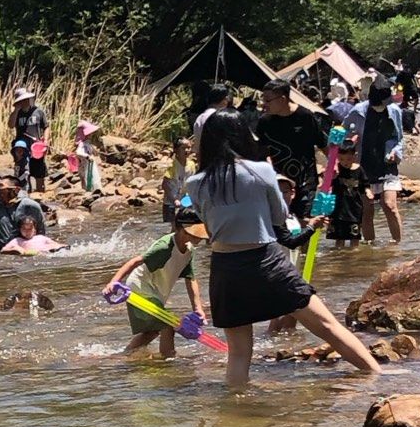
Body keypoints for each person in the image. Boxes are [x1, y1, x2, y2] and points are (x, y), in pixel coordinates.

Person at [186, 112, 384, 392]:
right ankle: (378, 378)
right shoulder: (262, 171)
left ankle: (235, 415)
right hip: (265, 261)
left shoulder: (195, 183)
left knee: (239, 353)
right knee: (328, 326)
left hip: (225, 268)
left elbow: (206, 222)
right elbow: (279, 217)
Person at [120, 214, 207, 359]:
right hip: (140, 288)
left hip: (154, 291)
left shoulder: (189, 250)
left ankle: (124, 355)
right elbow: (136, 261)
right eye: (193, 234)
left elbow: (190, 278)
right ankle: (168, 360)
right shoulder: (165, 247)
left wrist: (197, 308)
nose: (199, 238)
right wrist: (113, 283)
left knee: (152, 332)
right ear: (179, 229)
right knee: (168, 324)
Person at [254, 79, 332, 210]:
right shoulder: (264, 122)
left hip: (306, 181)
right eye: (263, 100)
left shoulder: (305, 116)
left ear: (283, 99)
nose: (263, 104)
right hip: (279, 184)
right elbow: (262, 152)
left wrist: (333, 167)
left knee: (308, 222)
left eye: (268, 100)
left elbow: (323, 144)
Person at [357, 76, 405, 245]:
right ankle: (370, 248)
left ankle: (397, 245)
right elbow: (343, 133)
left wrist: (397, 152)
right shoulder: (358, 112)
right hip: (364, 166)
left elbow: (400, 138)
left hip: (387, 164)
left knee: (389, 206)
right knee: (367, 209)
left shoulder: (394, 110)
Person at [10, 87, 49, 189]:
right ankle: (26, 190)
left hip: (36, 145)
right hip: (21, 146)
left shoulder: (38, 111)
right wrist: (16, 110)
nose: (25, 102)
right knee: (23, 170)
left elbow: (46, 127)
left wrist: (46, 139)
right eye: (22, 100)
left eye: (27, 99)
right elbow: (10, 125)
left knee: (39, 171)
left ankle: (40, 191)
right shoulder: (16, 114)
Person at [161, 133, 194, 225]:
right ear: (175, 150)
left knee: (186, 227)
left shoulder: (191, 165)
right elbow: (165, 185)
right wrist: (174, 200)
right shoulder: (172, 166)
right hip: (170, 203)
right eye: (183, 148)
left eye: (189, 148)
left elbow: (193, 183)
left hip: (185, 201)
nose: (187, 150)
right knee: (172, 229)